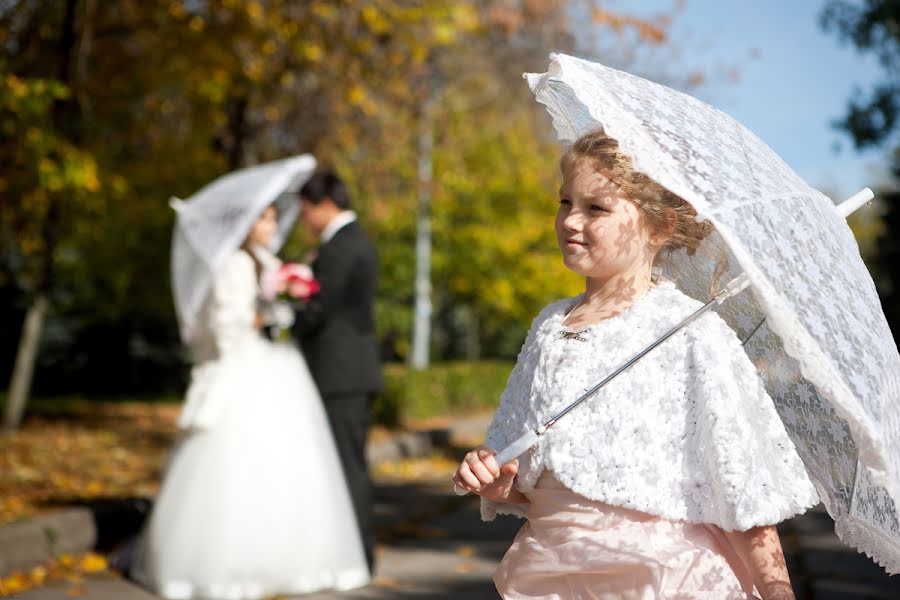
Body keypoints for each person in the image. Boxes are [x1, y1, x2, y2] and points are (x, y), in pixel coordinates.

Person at [452, 130, 819, 600]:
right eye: (565, 202)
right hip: (552, 572)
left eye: (596, 208)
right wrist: (496, 482)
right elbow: (528, 477)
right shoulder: (548, 325)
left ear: (660, 227)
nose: (570, 220)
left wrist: (777, 591)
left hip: (661, 577)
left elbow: (741, 489)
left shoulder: (691, 332)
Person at [131, 204, 369, 600]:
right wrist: (267, 313)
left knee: (281, 466)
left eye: (274, 219)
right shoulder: (235, 263)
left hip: (273, 366)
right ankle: (225, 566)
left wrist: (285, 300)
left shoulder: (264, 260)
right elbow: (227, 324)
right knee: (237, 463)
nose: (272, 226)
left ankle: (283, 558)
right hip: (246, 368)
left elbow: (273, 311)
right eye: (266, 219)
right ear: (244, 222)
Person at [292, 171, 383, 572]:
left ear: (325, 204)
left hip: (340, 375)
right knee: (345, 465)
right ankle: (350, 555)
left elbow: (318, 310)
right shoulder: (350, 241)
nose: (304, 220)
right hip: (348, 374)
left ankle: (358, 558)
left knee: (346, 468)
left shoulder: (340, 246)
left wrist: (279, 326)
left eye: (306, 211)